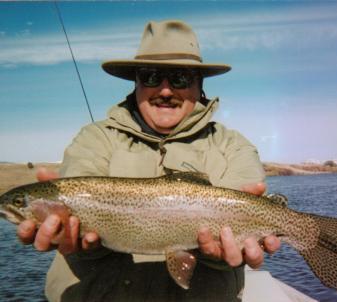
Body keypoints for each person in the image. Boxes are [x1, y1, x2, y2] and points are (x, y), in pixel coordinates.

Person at [17, 20, 281, 302]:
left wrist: (224, 255)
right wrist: (79, 242)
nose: (165, 91)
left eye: (180, 78)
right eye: (152, 76)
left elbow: (236, 241)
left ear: (199, 85)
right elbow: (82, 216)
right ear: (137, 83)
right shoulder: (94, 139)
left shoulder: (233, 146)